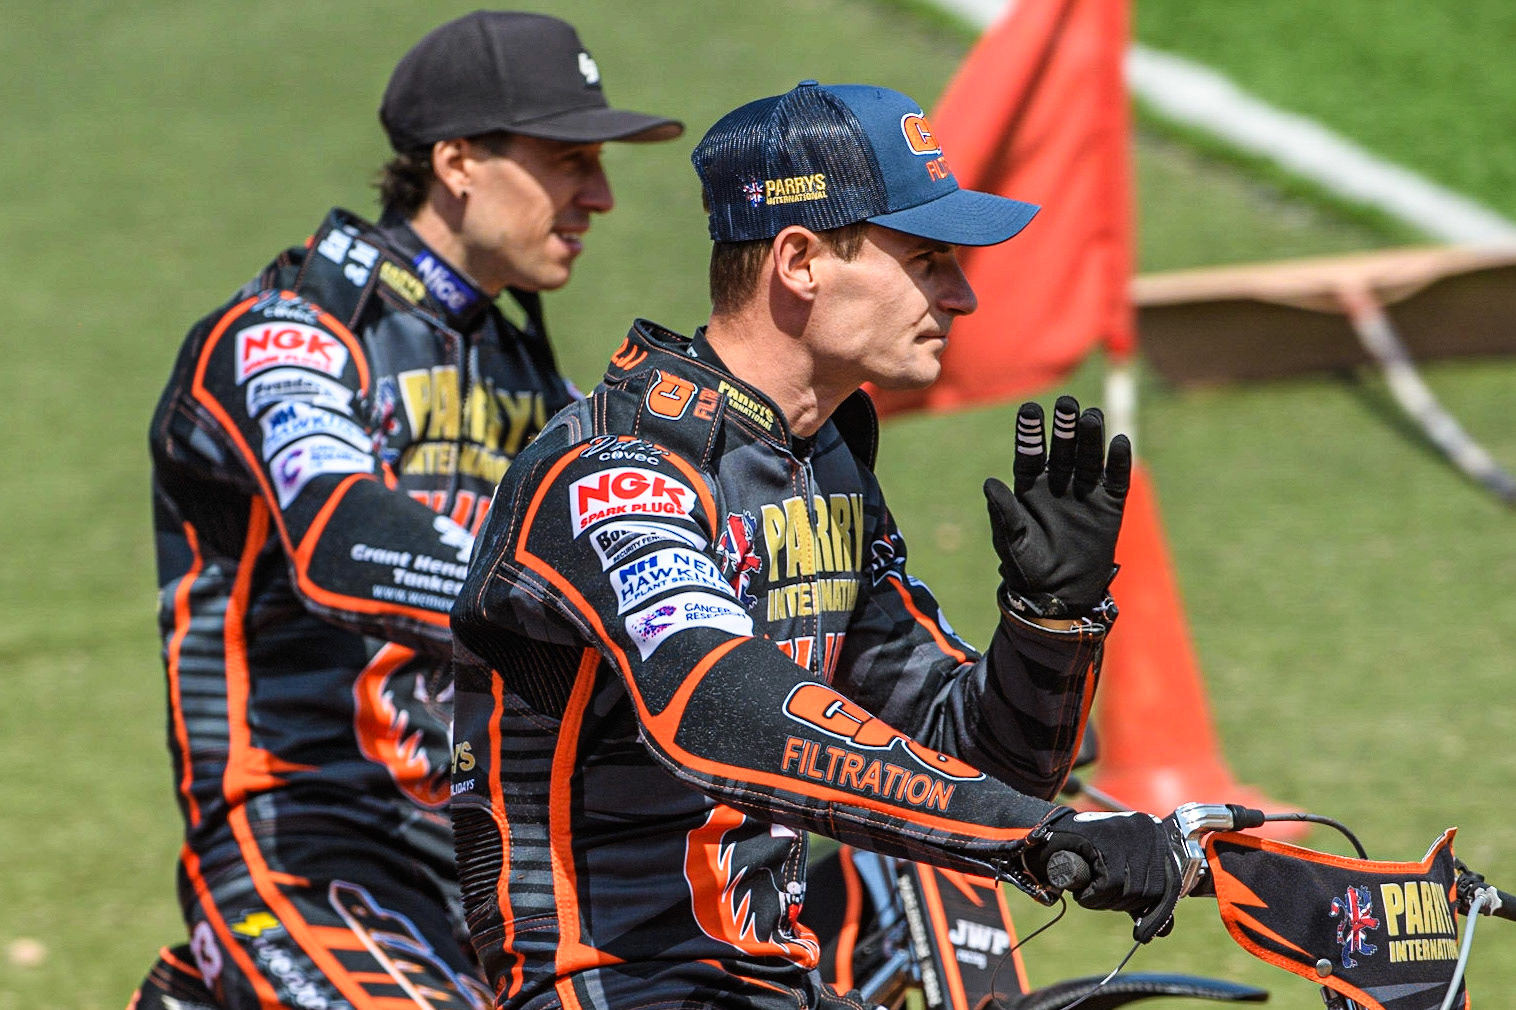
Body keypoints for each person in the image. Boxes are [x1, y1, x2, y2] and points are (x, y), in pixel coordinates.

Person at [448, 80, 1183, 1010]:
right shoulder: (614, 475)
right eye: (927, 259)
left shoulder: (820, 464)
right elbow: (718, 703)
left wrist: (1051, 622)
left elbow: (973, 759)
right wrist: (1025, 836)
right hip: (610, 986)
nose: (960, 296)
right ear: (799, 260)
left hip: (764, 983)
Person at [132, 12, 682, 1010]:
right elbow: (345, 541)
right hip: (303, 841)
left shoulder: (534, 374)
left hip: (494, 866)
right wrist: (604, 622)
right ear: (458, 160)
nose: (597, 196)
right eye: (567, 161)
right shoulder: (284, 336)